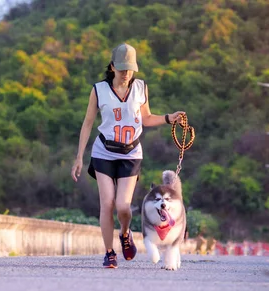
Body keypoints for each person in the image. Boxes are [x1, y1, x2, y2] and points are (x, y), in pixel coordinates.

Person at [71, 43, 185, 268]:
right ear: (112, 67)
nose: (126, 74)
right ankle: (109, 253)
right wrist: (79, 157)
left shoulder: (141, 88)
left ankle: (125, 234)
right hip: (103, 151)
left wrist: (168, 118)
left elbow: (146, 118)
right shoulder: (98, 90)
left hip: (131, 153)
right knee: (107, 203)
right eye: (122, 69)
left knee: (123, 206)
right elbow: (87, 124)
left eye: (130, 70)